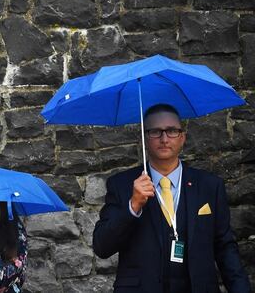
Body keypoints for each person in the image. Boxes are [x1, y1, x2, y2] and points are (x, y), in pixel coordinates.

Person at [93, 104, 251, 293]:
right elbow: (102, 247)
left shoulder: (210, 186)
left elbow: (225, 248)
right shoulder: (121, 185)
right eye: (155, 132)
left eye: (172, 131)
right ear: (144, 139)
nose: (164, 138)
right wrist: (133, 206)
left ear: (182, 137)